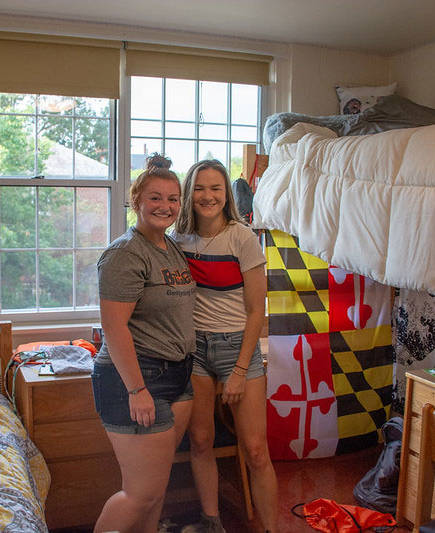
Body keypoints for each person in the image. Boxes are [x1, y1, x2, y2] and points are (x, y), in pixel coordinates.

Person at [92, 154, 197, 533]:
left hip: (177, 375)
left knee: (156, 489)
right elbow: (114, 328)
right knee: (140, 493)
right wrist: (137, 389)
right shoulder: (125, 253)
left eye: (172, 199)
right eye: (155, 197)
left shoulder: (170, 248)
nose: (164, 206)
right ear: (136, 201)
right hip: (139, 379)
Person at [174, 160, 278, 533]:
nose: (208, 196)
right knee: (200, 441)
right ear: (189, 194)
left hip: (239, 346)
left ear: (226, 195)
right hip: (195, 348)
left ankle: (270, 529)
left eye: (215, 188)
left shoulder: (243, 238)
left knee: (255, 450)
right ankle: (212, 522)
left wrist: (238, 371)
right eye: (199, 188)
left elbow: (256, 312)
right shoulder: (178, 240)